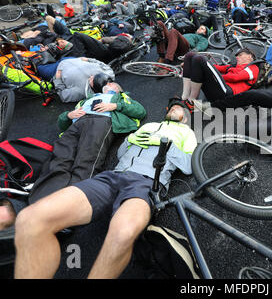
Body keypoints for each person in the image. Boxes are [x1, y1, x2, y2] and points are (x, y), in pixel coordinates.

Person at [14, 99, 197, 279]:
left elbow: (189, 165)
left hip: (145, 182)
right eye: (172, 106)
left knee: (123, 233)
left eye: (178, 108)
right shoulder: (149, 126)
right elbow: (121, 154)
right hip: (113, 177)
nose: (174, 108)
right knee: (30, 219)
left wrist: (166, 144)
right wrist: (129, 140)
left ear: (185, 117)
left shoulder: (187, 133)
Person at [0, 80, 146, 231]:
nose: (109, 84)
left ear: (118, 89)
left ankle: (71, 210)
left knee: (86, 159)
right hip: (77, 124)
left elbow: (140, 111)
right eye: (108, 83)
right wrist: (69, 115)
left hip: (102, 120)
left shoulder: (122, 97)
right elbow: (62, 122)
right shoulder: (86, 99)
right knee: (59, 158)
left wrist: (115, 105)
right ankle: (41, 204)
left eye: (113, 84)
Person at [181, 48, 259, 107]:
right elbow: (217, 68)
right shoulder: (233, 66)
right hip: (217, 89)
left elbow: (235, 78)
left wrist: (216, 76)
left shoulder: (253, 68)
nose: (237, 57)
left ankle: (191, 100)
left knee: (199, 59)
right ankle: (184, 97)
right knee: (190, 55)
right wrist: (192, 64)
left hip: (227, 93)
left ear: (250, 56)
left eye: (240, 55)